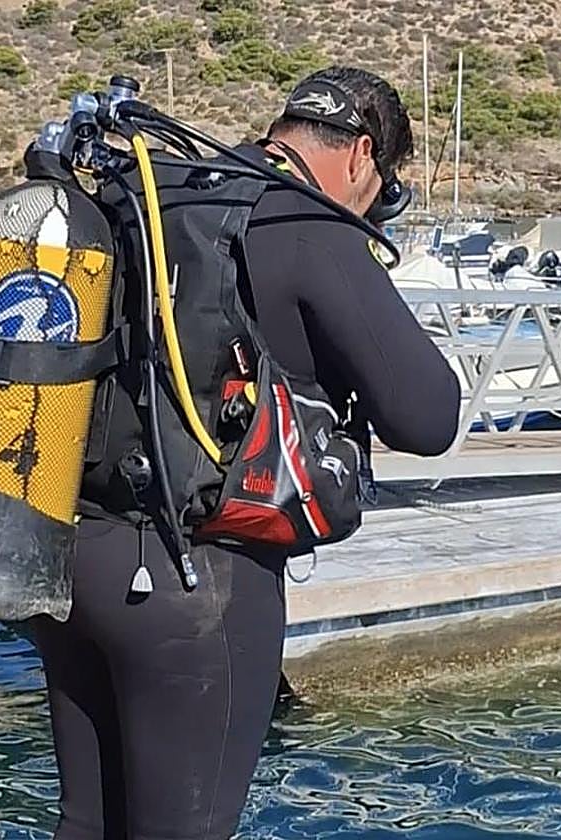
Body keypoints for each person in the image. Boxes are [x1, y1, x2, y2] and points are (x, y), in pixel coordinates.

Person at [31, 66, 461, 839]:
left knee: (85, 825)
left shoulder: (158, 194)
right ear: (362, 156)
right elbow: (427, 416)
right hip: (199, 583)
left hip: (73, 555)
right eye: (377, 186)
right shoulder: (302, 220)